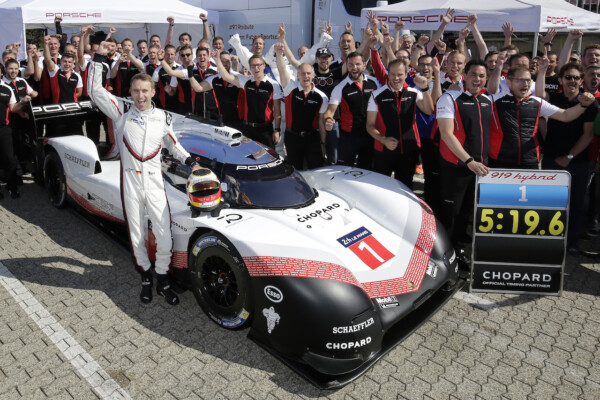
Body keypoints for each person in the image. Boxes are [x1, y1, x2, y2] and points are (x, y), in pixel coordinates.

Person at [88, 41, 200, 305]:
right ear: (130, 91)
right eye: (136, 91)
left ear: (153, 91)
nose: (140, 96)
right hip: (129, 180)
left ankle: (162, 277)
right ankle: (146, 278)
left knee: (163, 234)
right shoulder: (121, 111)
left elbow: (174, 145)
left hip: (153, 182)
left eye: (145, 91)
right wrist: (97, 57)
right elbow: (94, 90)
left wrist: (192, 162)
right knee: (137, 233)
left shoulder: (162, 117)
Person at [537, 61, 598, 255]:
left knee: (576, 204)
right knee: (549, 202)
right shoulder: (552, 98)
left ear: (581, 81)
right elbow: (539, 95)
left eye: (576, 78)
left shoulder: (590, 103)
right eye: (568, 77)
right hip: (551, 160)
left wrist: (569, 157)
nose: (572, 81)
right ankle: (548, 243)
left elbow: (588, 135)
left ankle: (571, 243)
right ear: (561, 80)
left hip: (577, 162)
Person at [435, 59, 492, 265]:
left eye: (482, 75)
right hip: (456, 167)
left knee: (468, 214)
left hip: (478, 169)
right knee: (451, 214)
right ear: (465, 76)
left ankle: (459, 252)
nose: (478, 79)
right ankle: (443, 255)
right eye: (474, 75)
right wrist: (468, 160)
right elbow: (446, 134)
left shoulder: (487, 100)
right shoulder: (449, 98)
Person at [366, 59, 433, 188]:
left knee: (405, 187)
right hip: (384, 150)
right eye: (393, 74)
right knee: (382, 187)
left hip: (409, 149)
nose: (396, 78)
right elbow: (369, 125)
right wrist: (383, 139)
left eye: (400, 74)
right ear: (388, 74)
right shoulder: (376, 95)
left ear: (406, 74)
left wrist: (425, 89)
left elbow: (429, 110)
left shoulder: (415, 92)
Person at [213, 49, 282, 148]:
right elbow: (226, 76)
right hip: (247, 129)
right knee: (249, 158)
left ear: (264, 66)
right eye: (253, 66)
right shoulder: (246, 82)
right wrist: (217, 60)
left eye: (258, 65)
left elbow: (277, 111)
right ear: (250, 68)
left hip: (265, 129)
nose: (256, 68)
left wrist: (277, 130)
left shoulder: (273, 84)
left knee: (268, 158)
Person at [274, 43, 328, 169]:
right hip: (293, 138)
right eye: (303, 73)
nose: (306, 76)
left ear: (313, 75)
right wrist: (278, 54)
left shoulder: (322, 97)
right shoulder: (290, 89)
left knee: (315, 169)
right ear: (297, 75)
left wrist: (323, 143)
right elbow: (282, 70)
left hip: (312, 139)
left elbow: (321, 121)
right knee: (294, 171)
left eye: (309, 73)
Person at [324, 52, 379, 169]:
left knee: (367, 171)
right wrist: (328, 119)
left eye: (358, 64)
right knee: (344, 171)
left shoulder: (374, 83)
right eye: (351, 65)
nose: (354, 68)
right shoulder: (340, 87)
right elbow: (330, 110)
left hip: (370, 136)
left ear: (364, 65)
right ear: (347, 66)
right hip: (348, 138)